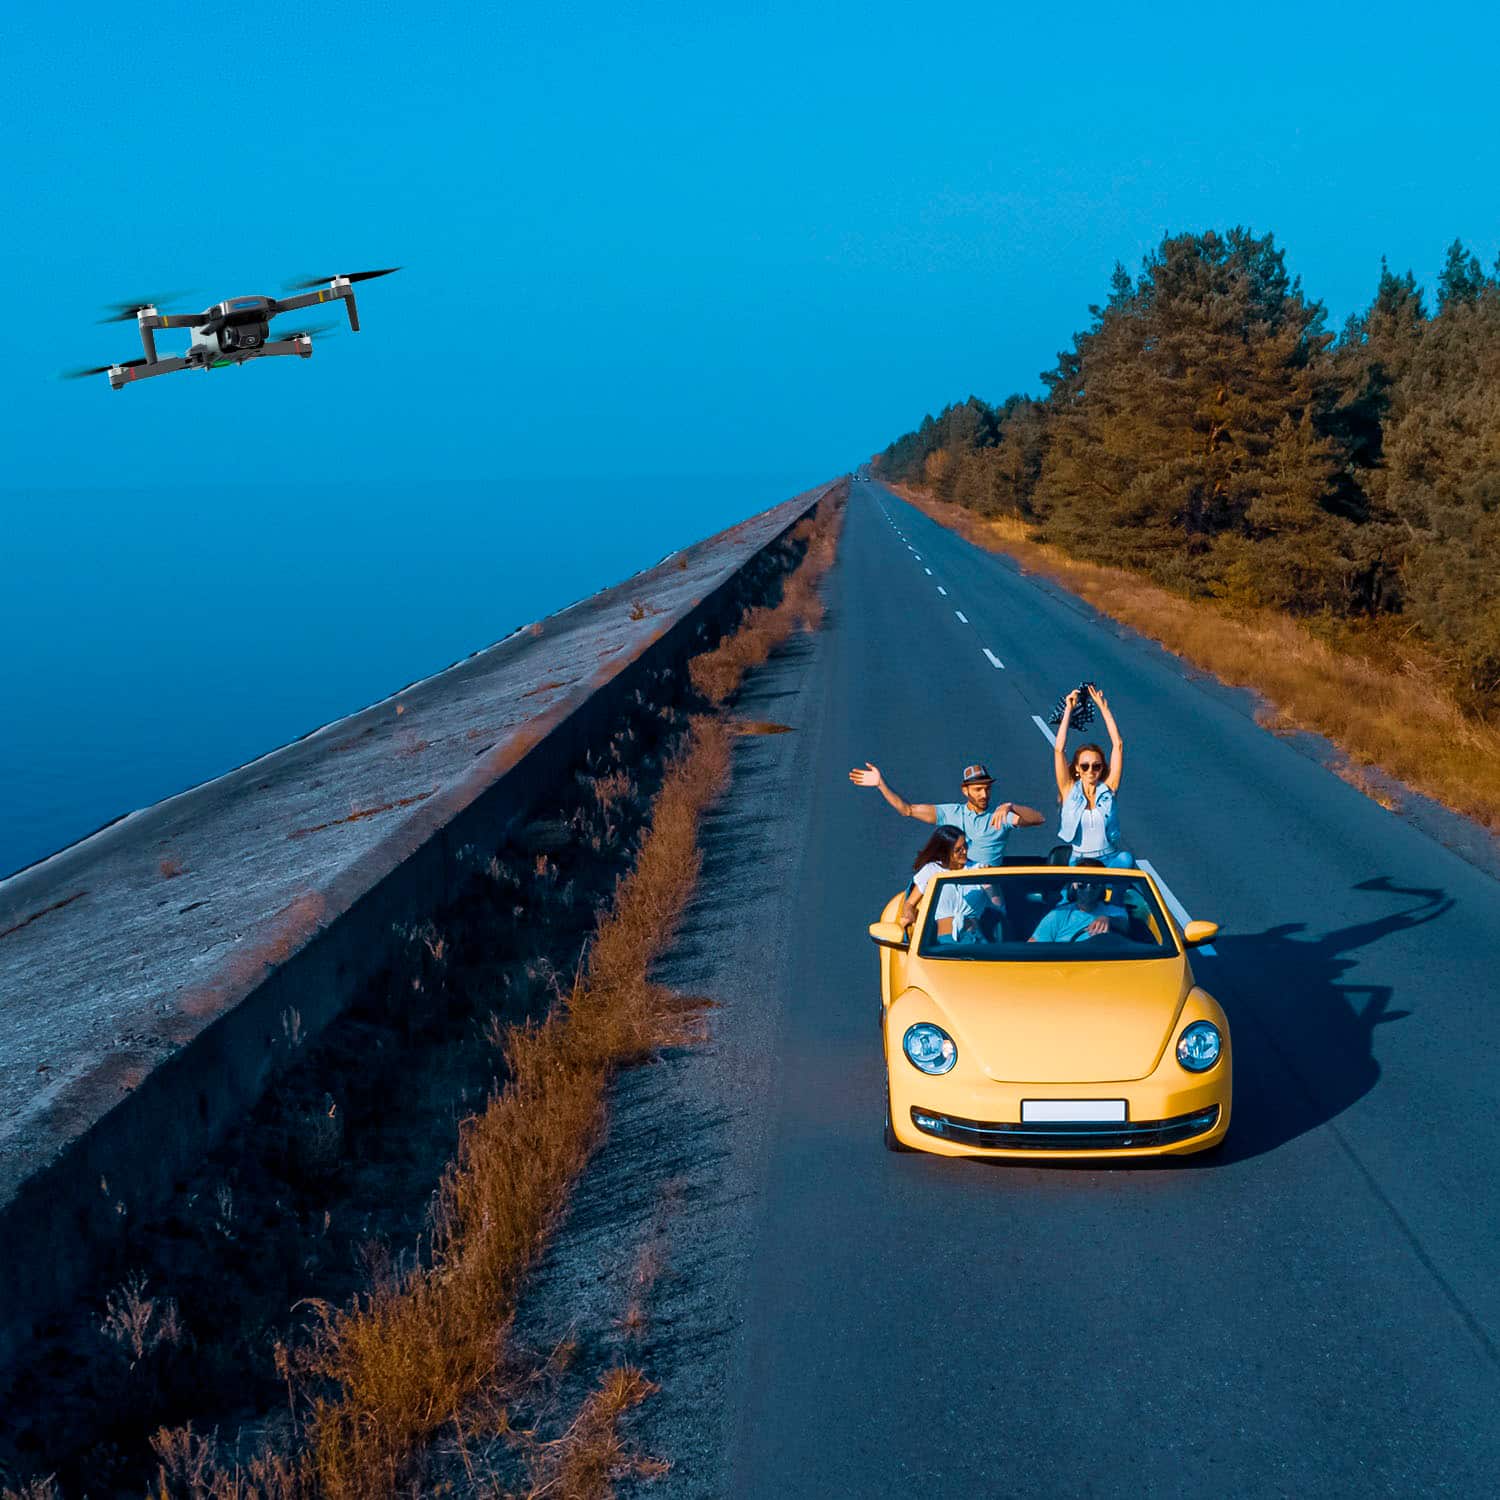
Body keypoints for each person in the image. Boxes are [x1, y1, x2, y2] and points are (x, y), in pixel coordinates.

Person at [849, 759, 1044, 867]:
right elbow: (906, 809)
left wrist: (1011, 806)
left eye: (987, 789)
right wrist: (881, 784)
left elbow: (1039, 819)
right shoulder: (950, 813)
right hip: (955, 882)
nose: (984, 795)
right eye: (978, 790)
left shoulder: (1000, 816)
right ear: (965, 791)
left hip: (987, 885)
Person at [1052, 685, 1134, 867]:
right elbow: (1058, 750)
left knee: (1126, 859)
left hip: (1110, 858)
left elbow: (1118, 745)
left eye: (1096, 766)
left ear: (1102, 768)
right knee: (1076, 884)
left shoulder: (1108, 790)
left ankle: (1114, 888)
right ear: (1077, 769)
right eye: (1085, 766)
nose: (1090, 770)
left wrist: (1104, 709)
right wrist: (1069, 709)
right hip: (1079, 860)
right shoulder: (1068, 791)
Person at [1029, 866, 1129, 943]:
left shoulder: (1114, 911)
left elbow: (1125, 924)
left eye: (1094, 884)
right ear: (1074, 886)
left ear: (1102, 887)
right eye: (1082, 884)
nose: (1088, 889)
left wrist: (1109, 920)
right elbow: (1033, 947)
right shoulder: (1058, 915)